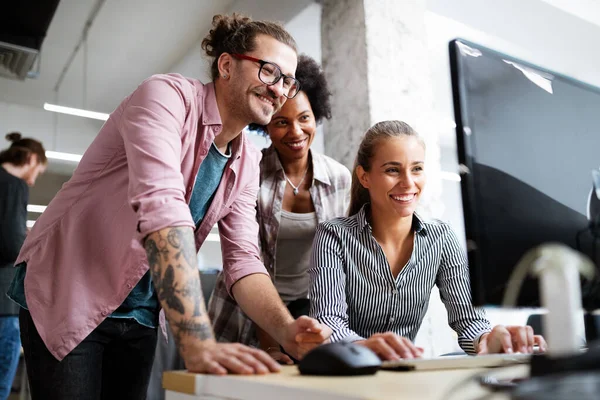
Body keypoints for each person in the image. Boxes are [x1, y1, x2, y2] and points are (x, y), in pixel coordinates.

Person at [6, 13, 331, 400]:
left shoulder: (246, 163)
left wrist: (286, 330)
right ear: (226, 65)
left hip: (142, 312)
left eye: (288, 81)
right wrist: (197, 341)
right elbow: (162, 208)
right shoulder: (165, 97)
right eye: (270, 72)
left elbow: (244, 260)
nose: (280, 90)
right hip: (72, 289)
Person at [308, 120, 547, 360]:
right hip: (345, 376)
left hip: (404, 378)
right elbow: (329, 323)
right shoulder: (333, 235)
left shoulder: (440, 238)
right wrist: (365, 347)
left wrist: (488, 339)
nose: (408, 182)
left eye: (417, 169)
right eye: (392, 170)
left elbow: (469, 320)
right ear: (364, 176)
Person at [209, 55, 351, 363]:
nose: (296, 132)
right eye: (281, 122)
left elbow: (340, 256)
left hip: (310, 308)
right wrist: (271, 346)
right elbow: (249, 261)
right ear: (266, 125)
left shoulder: (339, 178)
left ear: (317, 116)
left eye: (304, 118)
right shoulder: (251, 171)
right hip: (245, 307)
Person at [0, 132, 46, 400]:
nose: (34, 178)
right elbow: (8, 246)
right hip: (3, 303)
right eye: (38, 170)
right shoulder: (15, 185)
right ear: (30, 159)